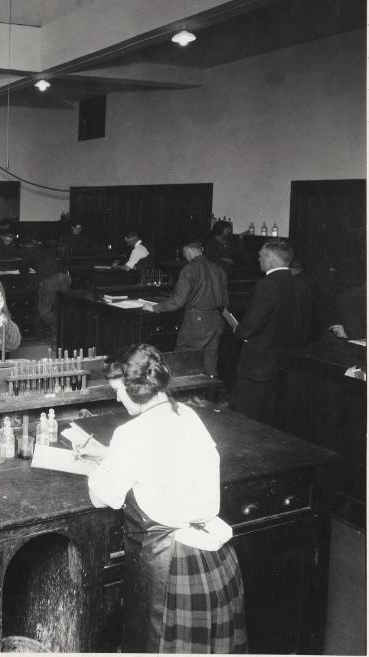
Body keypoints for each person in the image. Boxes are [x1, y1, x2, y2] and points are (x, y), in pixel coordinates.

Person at [86, 343, 248, 653]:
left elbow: (101, 497)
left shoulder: (129, 434)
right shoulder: (188, 414)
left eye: (118, 391)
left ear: (135, 389)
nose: (117, 398)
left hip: (173, 566)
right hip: (216, 561)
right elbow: (166, 462)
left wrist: (97, 467)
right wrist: (112, 456)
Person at [231, 240, 312, 424]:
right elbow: (304, 328)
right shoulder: (302, 287)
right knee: (272, 419)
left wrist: (238, 329)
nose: (258, 259)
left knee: (244, 418)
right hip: (286, 365)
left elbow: (251, 325)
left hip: (258, 365)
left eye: (260, 256)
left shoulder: (266, 285)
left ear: (269, 258)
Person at [146, 238, 228, 377]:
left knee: (184, 361)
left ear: (187, 250)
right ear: (201, 249)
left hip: (196, 322)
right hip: (217, 320)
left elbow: (178, 301)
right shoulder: (219, 269)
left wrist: (154, 307)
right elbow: (225, 301)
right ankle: (211, 388)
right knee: (209, 361)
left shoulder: (189, 269)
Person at [22, 238, 71, 339]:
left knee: (43, 310)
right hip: (65, 277)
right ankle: (61, 336)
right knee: (59, 309)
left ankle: (58, 330)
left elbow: (23, 270)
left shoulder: (29, 251)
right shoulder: (49, 249)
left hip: (50, 280)